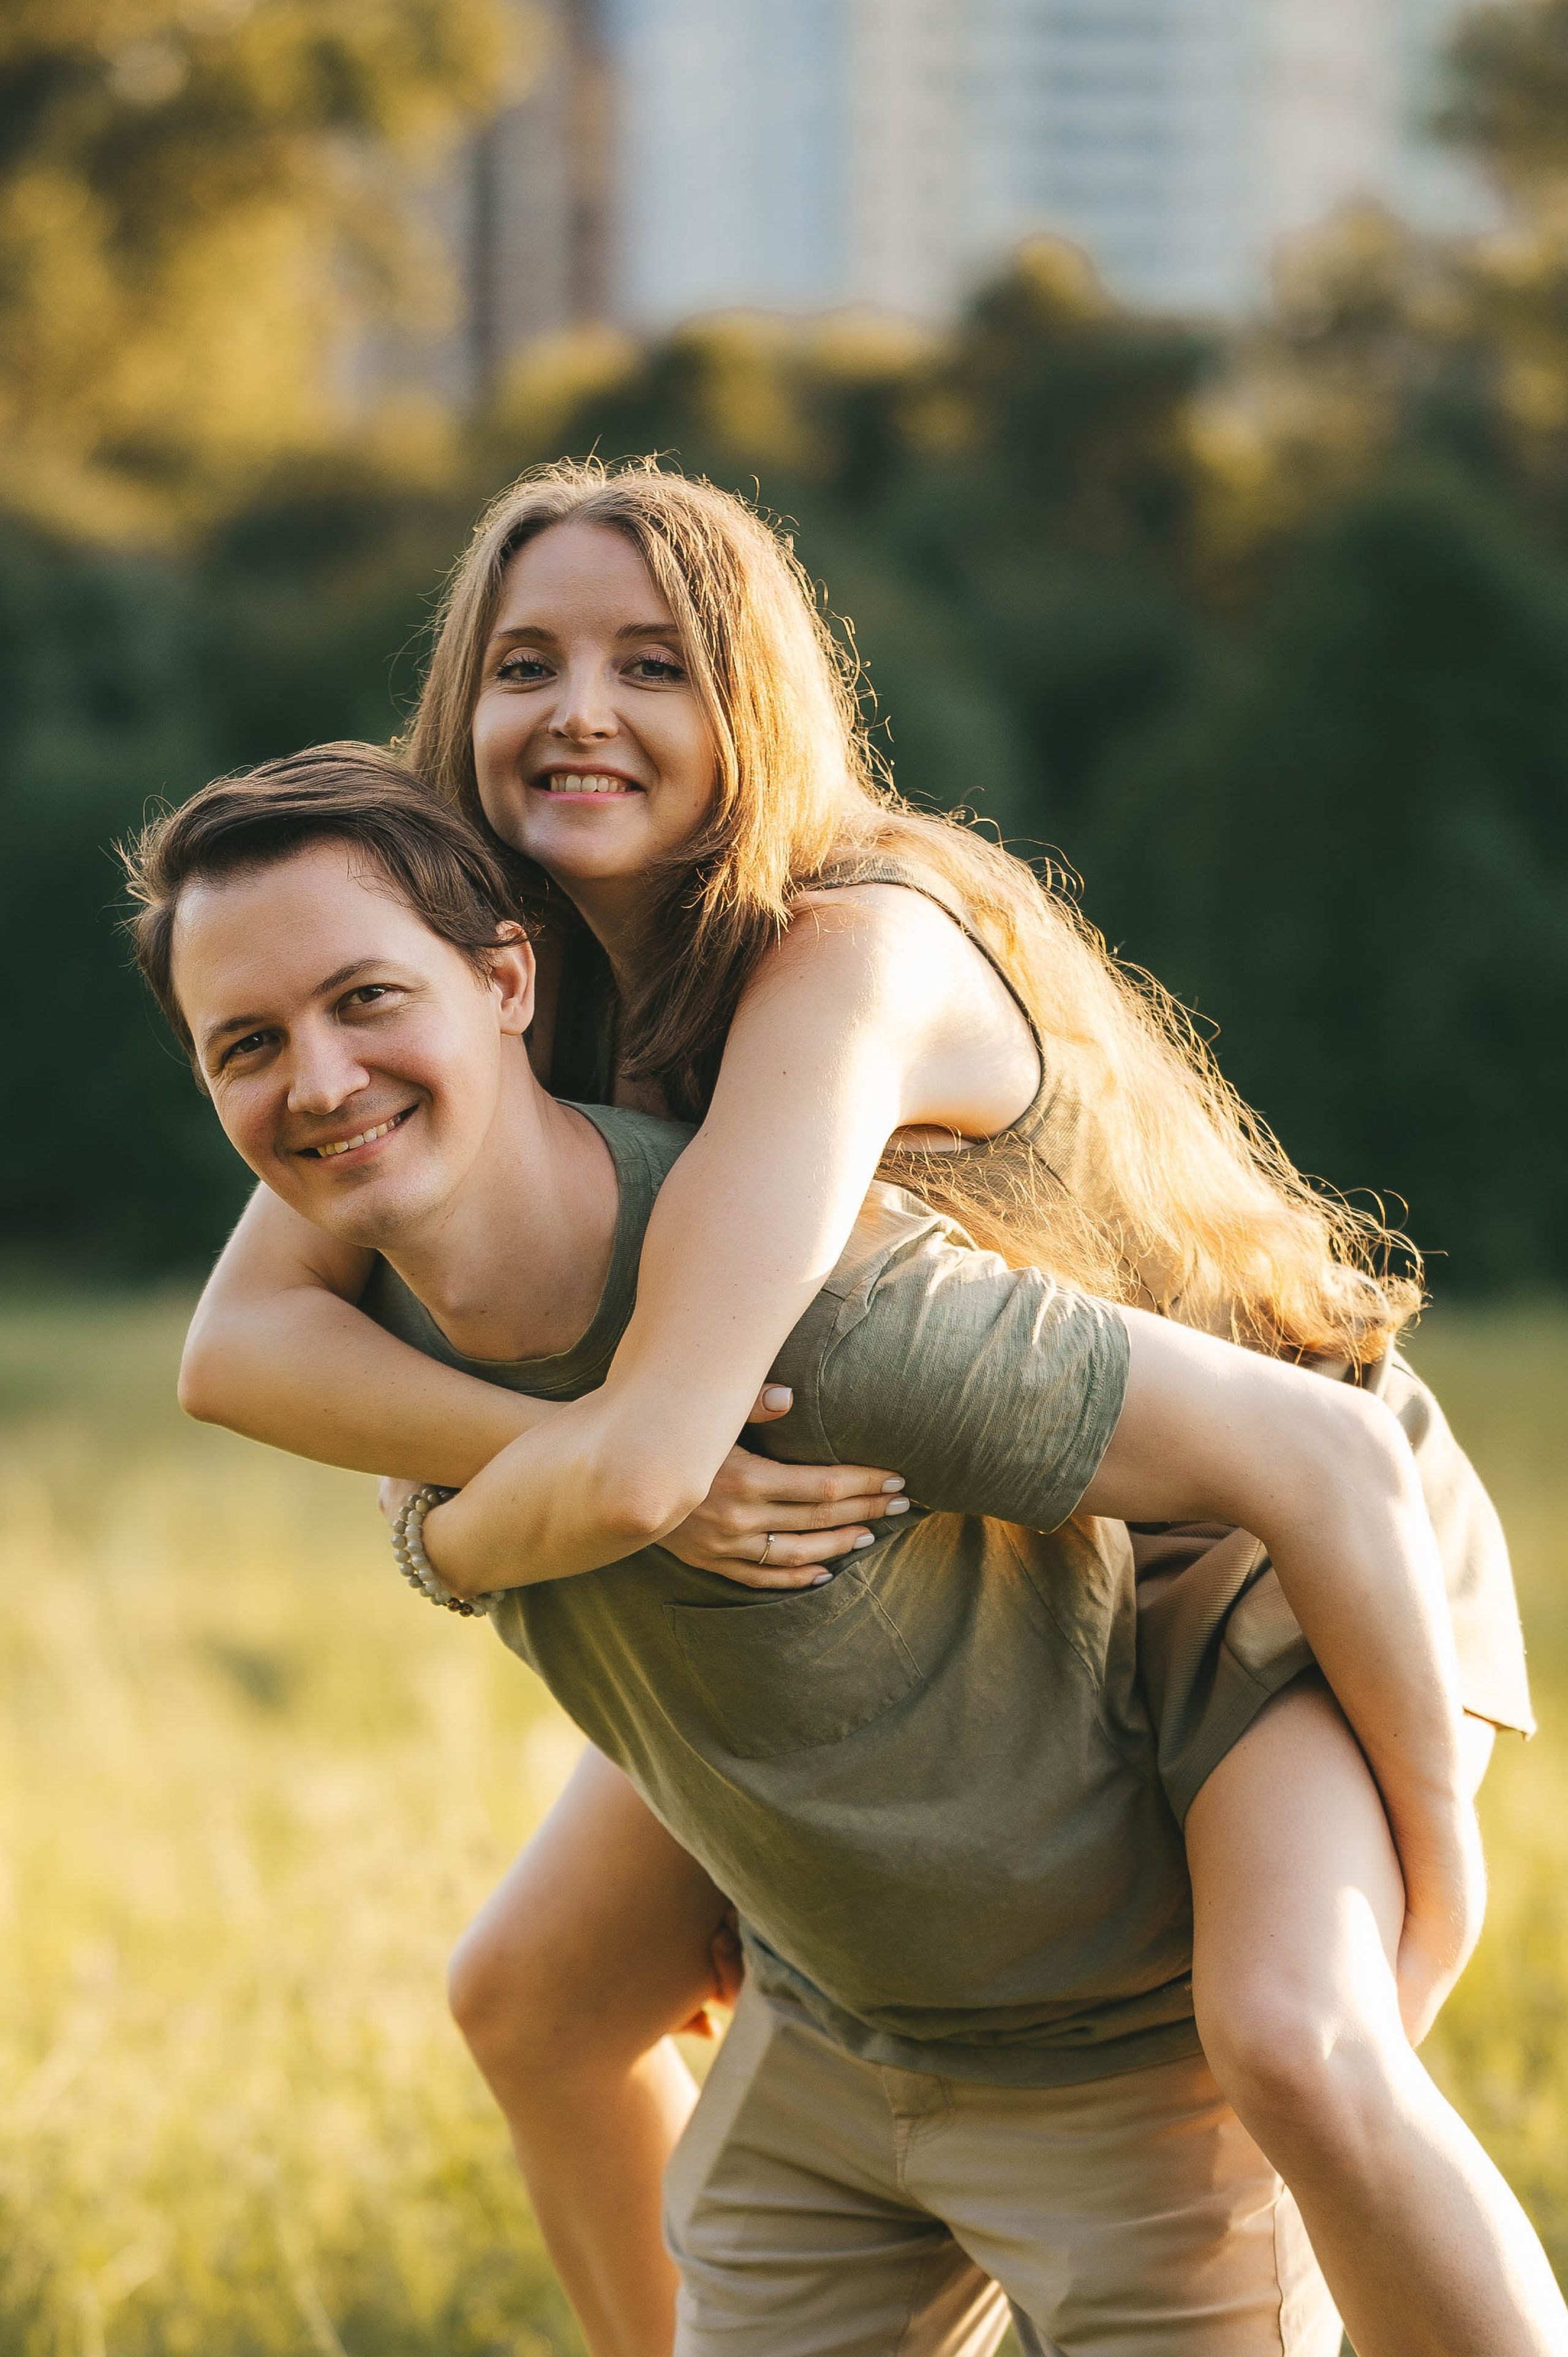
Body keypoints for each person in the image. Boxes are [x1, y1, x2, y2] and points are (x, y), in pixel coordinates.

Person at [166, 465, 1542, 2357]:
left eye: (654, 662)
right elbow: (241, 1349)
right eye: (525, 664)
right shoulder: (465, 993)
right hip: (988, 1543)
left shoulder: (848, 956)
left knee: (1301, 2042)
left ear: (757, 700)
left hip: (1257, 1517)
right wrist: (553, 1483)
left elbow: (660, 1448)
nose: (579, 710)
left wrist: (486, 1524)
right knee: (535, 1992)